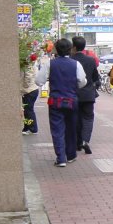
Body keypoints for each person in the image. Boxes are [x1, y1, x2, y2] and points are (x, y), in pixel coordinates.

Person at [35, 38, 87, 167]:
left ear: (56, 50)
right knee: (71, 128)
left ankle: (61, 158)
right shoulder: (76, 64)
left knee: (57, 129)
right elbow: (82, 81)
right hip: (71, 100)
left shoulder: (49, 64)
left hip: (55, 101)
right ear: (70, 49)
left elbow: (39, 81)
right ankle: (71, 155)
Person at [70, 36, 100, 155]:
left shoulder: (71, 60)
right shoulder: (90, 60)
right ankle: (85, 141)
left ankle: (77, 143)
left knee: (76, 118)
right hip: (88, 95)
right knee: (88, 118)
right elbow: (95, 78)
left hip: (74, 94)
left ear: (74, 47)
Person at [21, 54, 39, 135]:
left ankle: (33, 129)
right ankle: (27, 127)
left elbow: (28, 77)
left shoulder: (28, 65)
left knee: (29, 110)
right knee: (27, 110)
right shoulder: (31, 64)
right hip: (32, 90)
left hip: (29, 90)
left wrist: (24, 88)